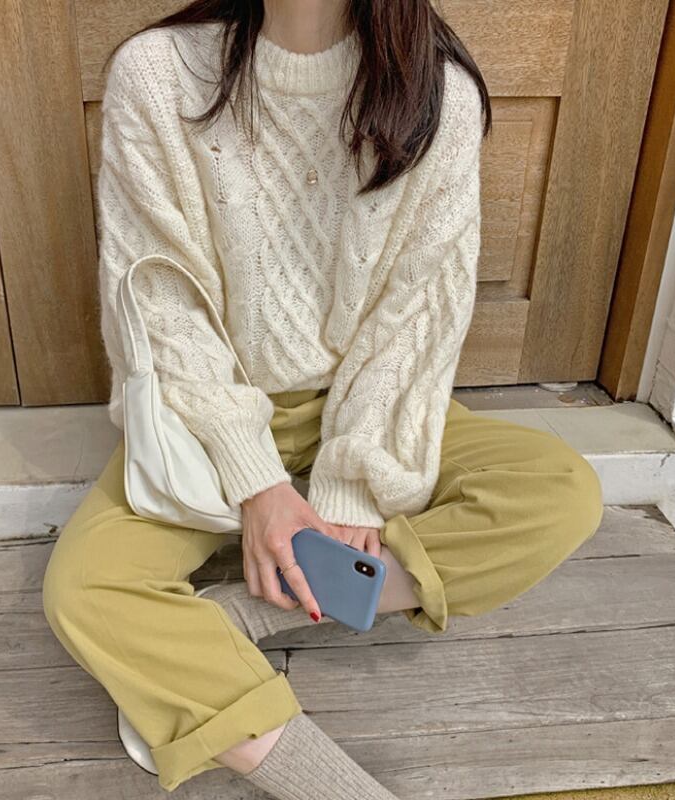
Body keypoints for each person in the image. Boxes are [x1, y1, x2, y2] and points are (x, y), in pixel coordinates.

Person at [42, 1, 605, 797]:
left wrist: (351, 486)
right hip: (209, 416)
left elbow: (415, 316)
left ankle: (249, 614)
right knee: (86, 588)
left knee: (561, 491)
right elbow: (162, 302)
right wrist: (257, 484)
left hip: (369, 405)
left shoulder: (437, 93)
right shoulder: (157, 73)